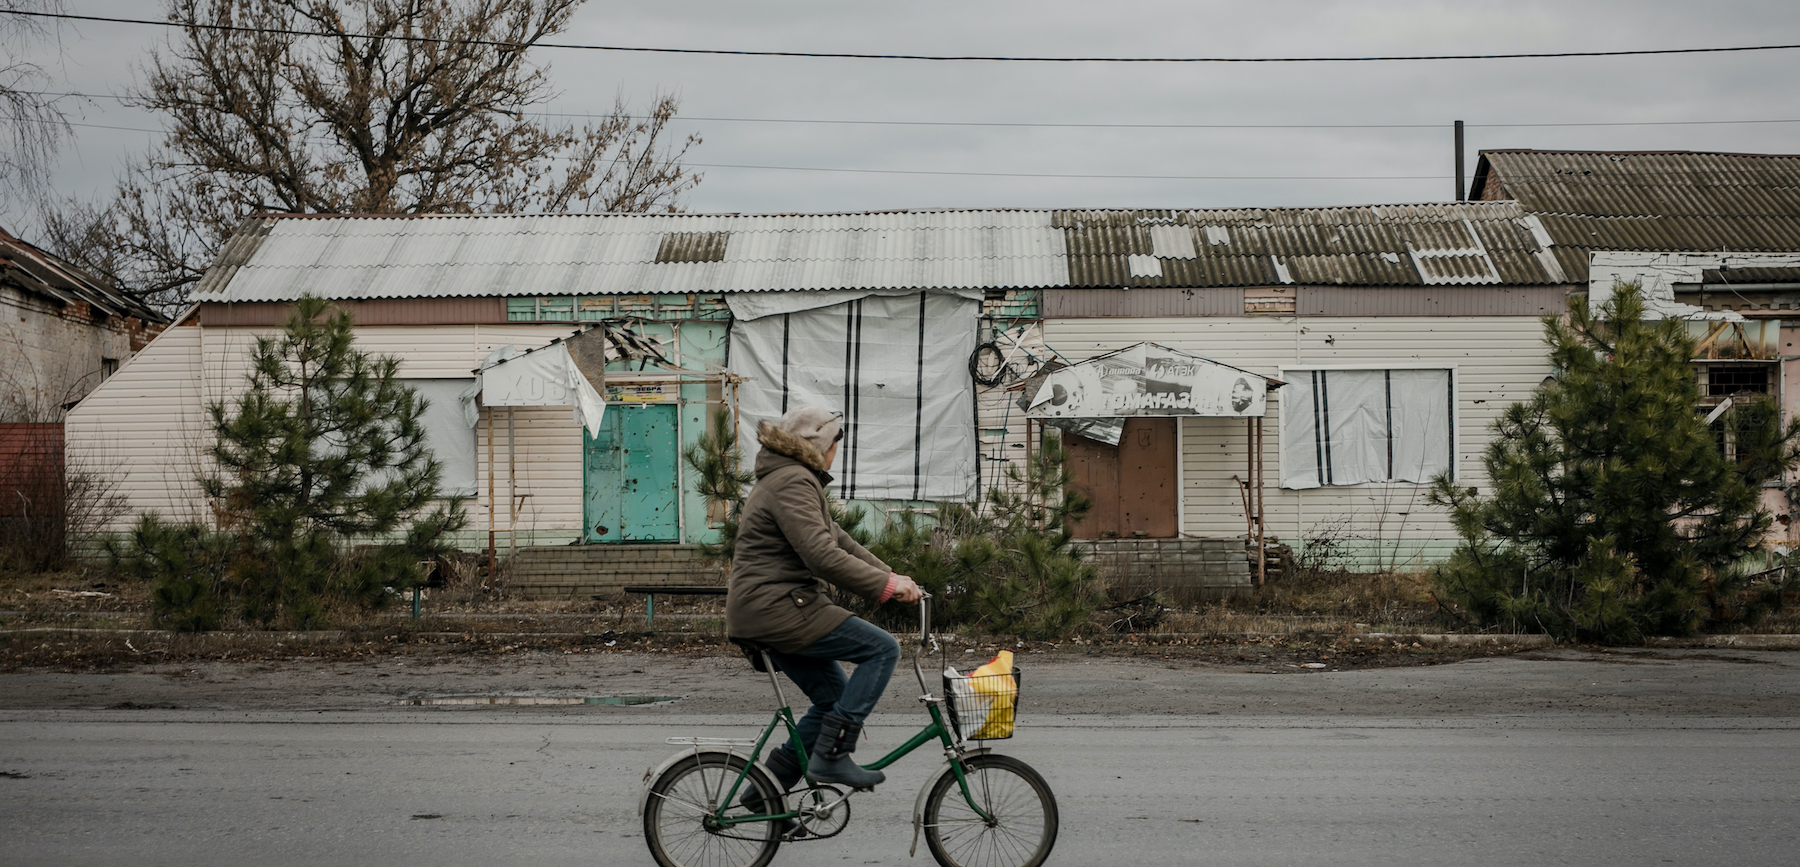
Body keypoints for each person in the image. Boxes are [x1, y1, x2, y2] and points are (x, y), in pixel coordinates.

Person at [725, 404, 925, 797]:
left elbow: (839, 540)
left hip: (773, 607)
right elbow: (822, 556)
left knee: (833, 698)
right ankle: (833, 753)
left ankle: (762, 796)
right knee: (882, 648)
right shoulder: (792, 482)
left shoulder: (791, 479)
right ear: (821, 447)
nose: (838, 450)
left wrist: (894, 577)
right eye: (836, 442)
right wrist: (884, 588)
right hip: (778, 607)